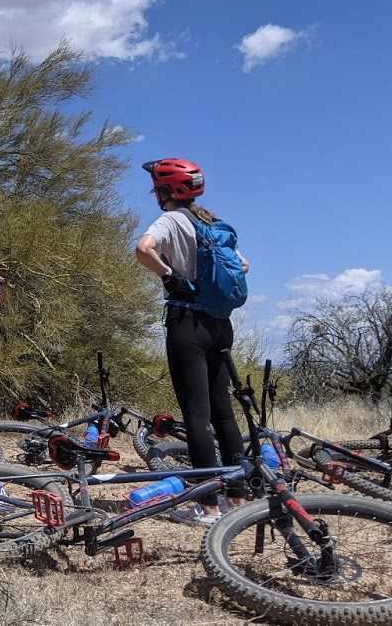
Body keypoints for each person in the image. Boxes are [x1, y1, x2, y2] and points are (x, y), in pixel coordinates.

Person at [135, 157, 251, 525]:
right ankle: (237, 495)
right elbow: (243, 265)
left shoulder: (171, 219)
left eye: (158, 189)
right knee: (224, 413)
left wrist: (170, 275)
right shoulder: (211, 222)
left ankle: (208, 506)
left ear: (167, 192)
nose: (156, 194)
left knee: (196, 416)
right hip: (220, 323)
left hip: (187, 323)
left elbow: (142, 249)